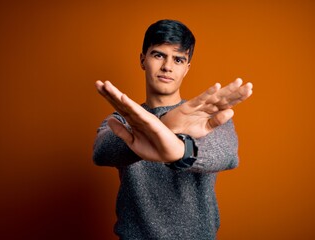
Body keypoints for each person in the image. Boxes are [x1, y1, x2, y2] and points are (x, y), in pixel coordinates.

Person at [93, 19, 253, 240]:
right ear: (142, 60)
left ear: (187, 68)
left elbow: (227, 156)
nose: (167, 66)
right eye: (159, 55)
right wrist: (166, 125)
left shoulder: (208, 116)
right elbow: (101, 153)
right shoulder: (123, 118)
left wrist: (180, 150)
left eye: (178, 59)